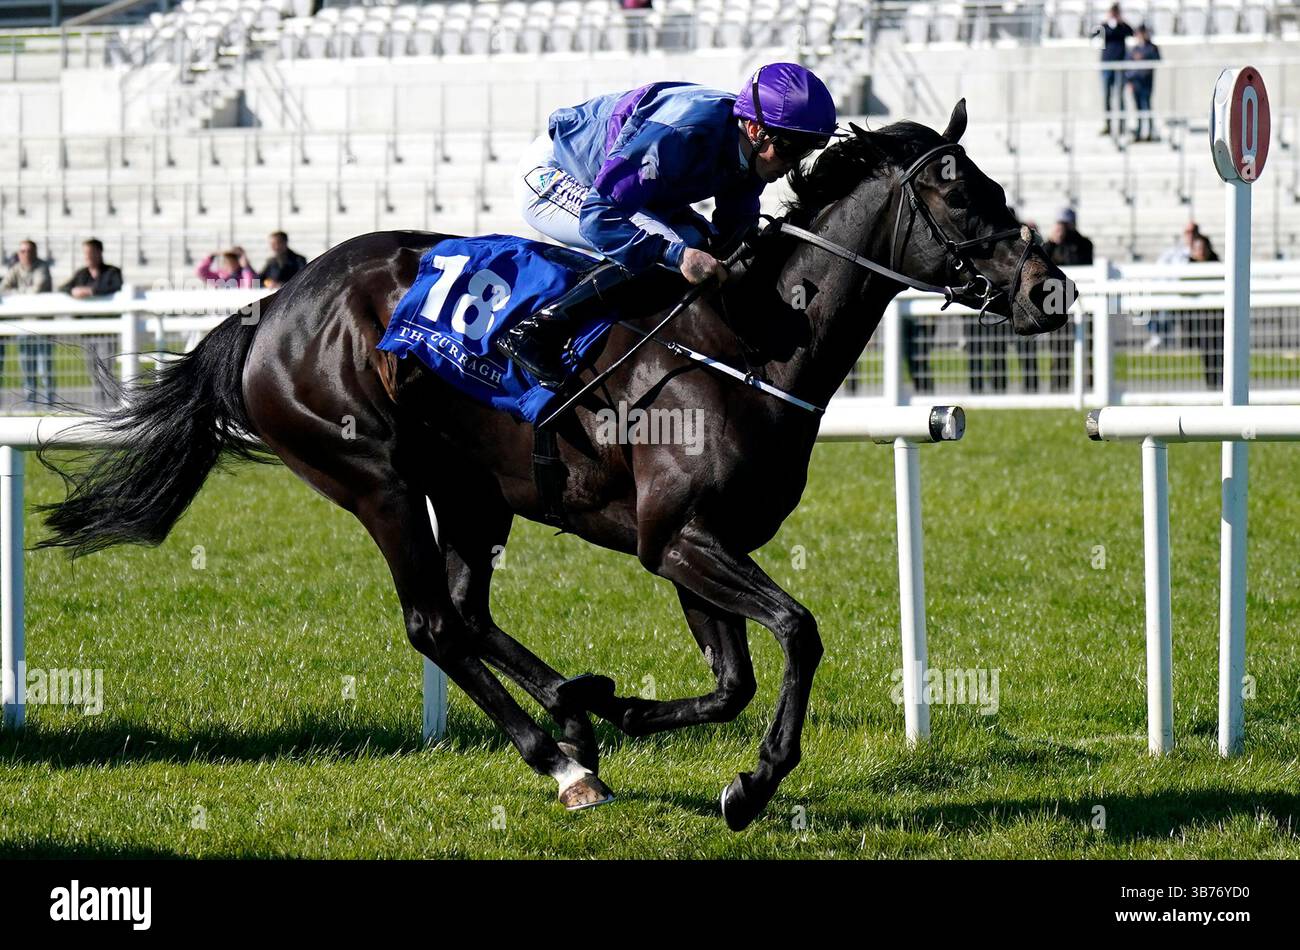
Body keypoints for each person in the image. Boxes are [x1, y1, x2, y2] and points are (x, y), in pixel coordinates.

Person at [499, 62, 838, 386]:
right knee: (672, 249)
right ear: (754, 129)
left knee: (698, 244)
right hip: (557, 173)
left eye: (803, 153)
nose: (792, 165)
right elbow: (598, 218)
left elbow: (732, 235)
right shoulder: (680, 133)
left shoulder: (752, 153)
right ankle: (538, 331)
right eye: (789, 150)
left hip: (623, 190)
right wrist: (677, 256)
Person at [1042, 209, 1093, 391]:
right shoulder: (1051, 245)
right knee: (1059, 348)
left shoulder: (1083, 244)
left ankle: (1091, 384)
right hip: (1057, 300)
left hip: (1081, 300)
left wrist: (1068, 240)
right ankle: (1059, 386)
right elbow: (1043, 263)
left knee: (1089, 346)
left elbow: (1078, 263)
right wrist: (1051, 242)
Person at [1, 240, 55, 407]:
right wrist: (18, 293)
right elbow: (3, 288)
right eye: (23, 251)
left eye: (29, 250)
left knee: (44, 370)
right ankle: (30, 406)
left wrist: (15, 294)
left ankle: (49, 407)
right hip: (23, 328)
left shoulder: (42, 267)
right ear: (18, 254)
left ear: (35, 252)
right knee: (27, 371)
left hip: (42, 327)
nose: (26, 254)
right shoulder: (15, 269)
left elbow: (37, 289)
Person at [1095, 4, 1133, 136]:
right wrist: (1106, 23)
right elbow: (1094, 39)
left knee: (1120, 96)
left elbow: (1131, 32)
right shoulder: (1104, 26)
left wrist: (1120, 22)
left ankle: (1122, 126)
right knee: (1106, 96)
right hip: (1107, 65)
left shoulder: (1122, 27)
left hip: (1120, 66)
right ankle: (1108, 124)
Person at [1124, 24, 1160, 142]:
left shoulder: (1151, 47)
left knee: (1147, 107)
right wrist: (1129, 81)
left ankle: (1150, 132)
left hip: (1146, 83)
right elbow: (1127, 66)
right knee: (1138, 109)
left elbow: (1155, 60)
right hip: (1136, 83)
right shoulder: (1134, 49)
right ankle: (1139, 132)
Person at [59, 238, 124, 298]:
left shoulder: (112, 272)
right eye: (85, 253)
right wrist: (73, 291)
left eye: (90, 253)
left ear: (99, 252)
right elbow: (63, 288)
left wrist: (92, 291)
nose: (87, 256)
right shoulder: (81, 273)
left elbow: (117, 287)